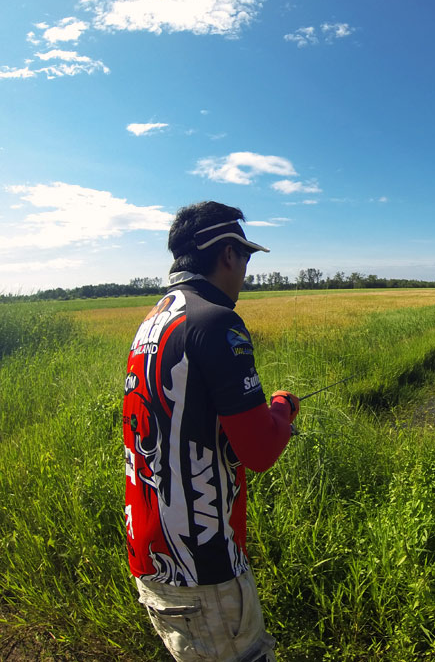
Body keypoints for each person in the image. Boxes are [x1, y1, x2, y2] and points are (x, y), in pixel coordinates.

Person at [122, 201, 299, 661]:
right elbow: (259, 450)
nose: (244, 273)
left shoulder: (155, 320)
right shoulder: (218, 322)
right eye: (246, 259)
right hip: (204, 570)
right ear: (227, 254)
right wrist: (284, 407)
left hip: (151, 554)